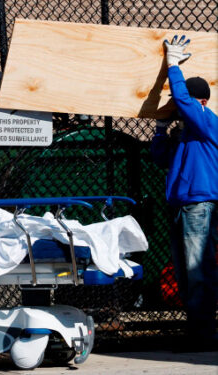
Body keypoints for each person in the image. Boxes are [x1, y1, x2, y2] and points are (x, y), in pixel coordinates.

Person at [151, 35, 217, 348]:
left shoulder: (207, 121)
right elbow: (160, 159)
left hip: (198, 205)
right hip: (180, 205)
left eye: (185, 104)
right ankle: (198, 331)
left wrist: (172, 64)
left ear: (198, 102)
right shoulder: (186, 133)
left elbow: (184, 99)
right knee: (186, 271)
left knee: (197, 270)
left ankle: (203, 334)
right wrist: (162, 131)